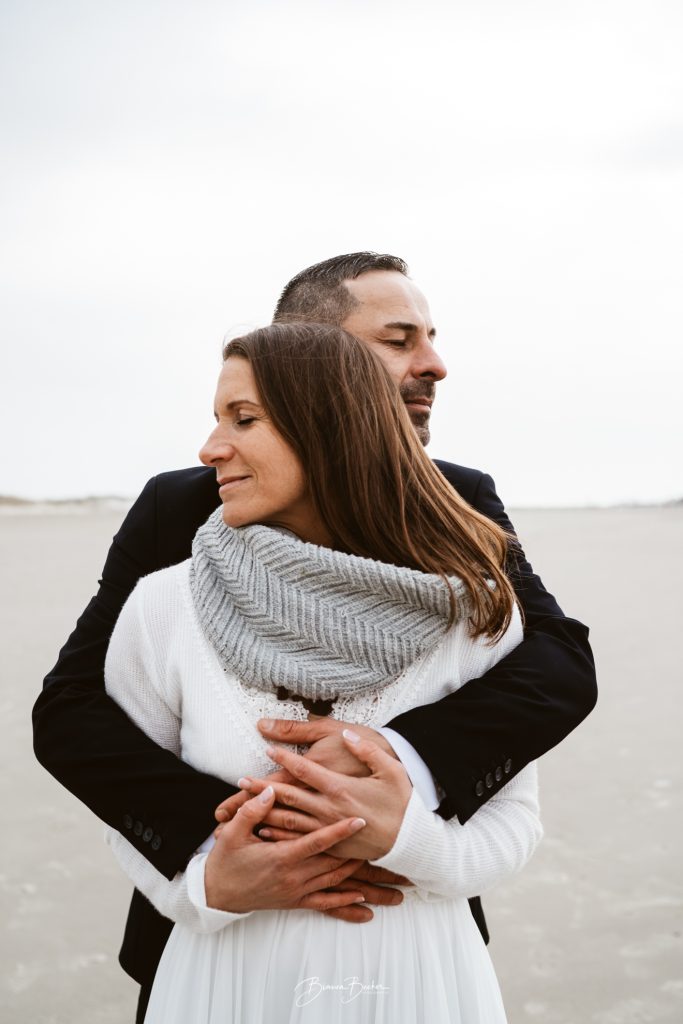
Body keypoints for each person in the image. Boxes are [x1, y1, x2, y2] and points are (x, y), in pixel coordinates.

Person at [33, 253, 596, 1019]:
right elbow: (74, 711)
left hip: (405, 940)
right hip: (214, 942)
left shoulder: (459, 506)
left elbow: (553, 663)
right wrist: (239, 846)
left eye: (428, 337)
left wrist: (395, 765)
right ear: (315, 359)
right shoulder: (179, 517)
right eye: (398, 340)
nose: (431, 363)